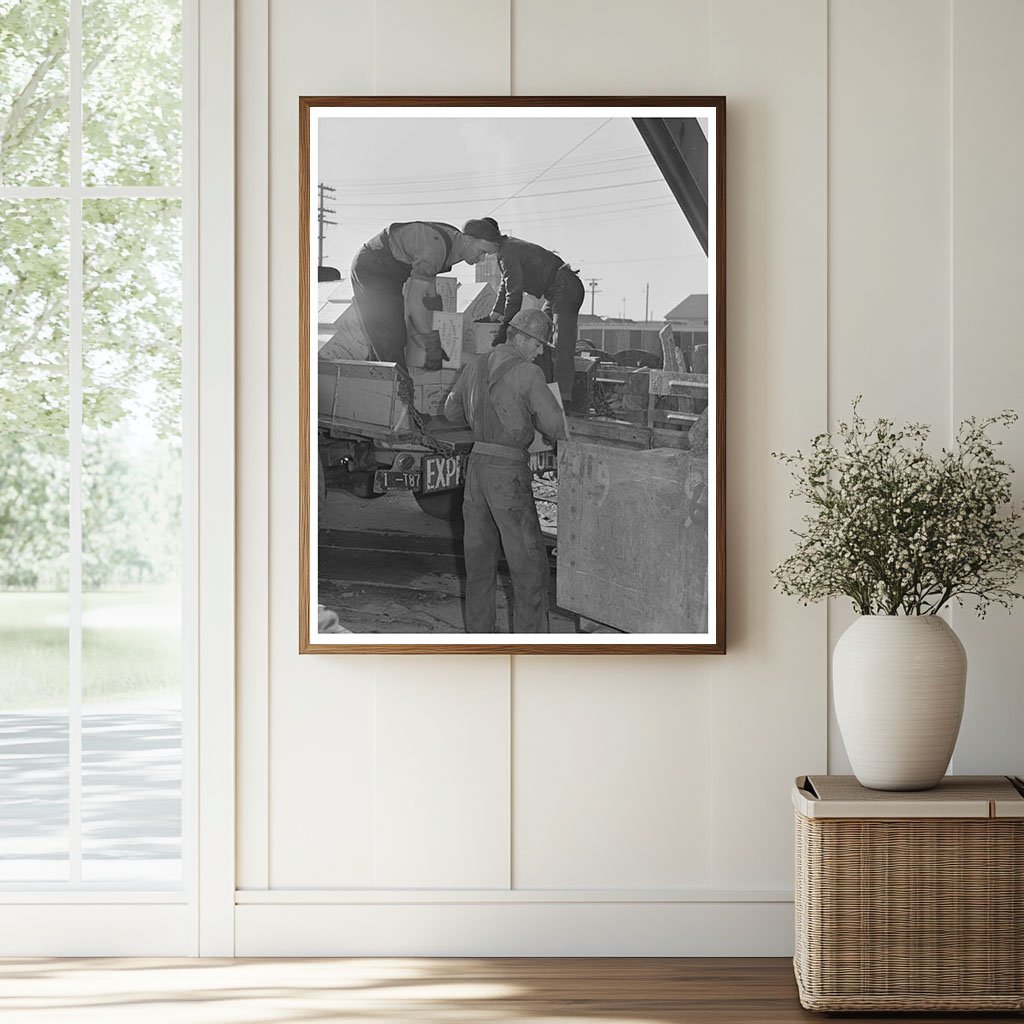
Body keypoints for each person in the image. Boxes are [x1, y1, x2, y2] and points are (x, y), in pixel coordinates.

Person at [444, 308, 567, 633]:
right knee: (529, 568)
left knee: (479, 566)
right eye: (538, 344)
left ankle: (480, 638)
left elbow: (451, 412)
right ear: (522, 338)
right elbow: (555, 426)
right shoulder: (528, 373)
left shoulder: (475, 365)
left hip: (476, 474)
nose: (540, 351)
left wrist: (483, 415)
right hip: (507, 475)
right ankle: (531, 647)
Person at [350, 219, 501, 370]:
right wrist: (432, 344)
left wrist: (434, 305)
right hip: (372, 268)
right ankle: (400, 391)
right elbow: (414, 302)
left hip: (389, 274)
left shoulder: (453, 241)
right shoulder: (436, 247)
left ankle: (373, 384)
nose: (482, 260)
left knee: (387, 336)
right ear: (468, 240)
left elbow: (430, 277)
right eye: (482, 252)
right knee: (391, 337)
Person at [475, 218, 586, 405]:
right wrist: (494, 316)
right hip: (555, 292)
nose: (482, 254)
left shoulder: (508, 252)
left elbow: (515, 294)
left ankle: (563, 398)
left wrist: (504, 328)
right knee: (539, 336)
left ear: (488, 240)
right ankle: (544, 389)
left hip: (565, 289)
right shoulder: (506, 250)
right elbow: (505, 286)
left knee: (561, 344)